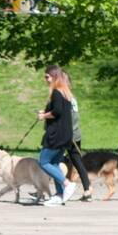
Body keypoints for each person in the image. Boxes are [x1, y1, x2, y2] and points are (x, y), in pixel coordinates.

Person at [37, 65, 79, 207]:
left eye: (47, 77)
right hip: (66, 134)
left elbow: (57, 112)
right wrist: (46, 111)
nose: (45, 79)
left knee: (43, 161)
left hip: (56, 134)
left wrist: (43, 116)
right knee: (54, 163)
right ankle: (59, 195)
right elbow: (59, 110)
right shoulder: (65, 92)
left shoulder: (56, 92)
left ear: (54, 77)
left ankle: (67, 184)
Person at [61, 70, 92, 201]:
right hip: (75, 134)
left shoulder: (64, 97)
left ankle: (43, 189)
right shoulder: (71, 97)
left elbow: (65, 118)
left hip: (67, 134)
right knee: (77, 162)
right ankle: (87, 190)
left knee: (48, 160)